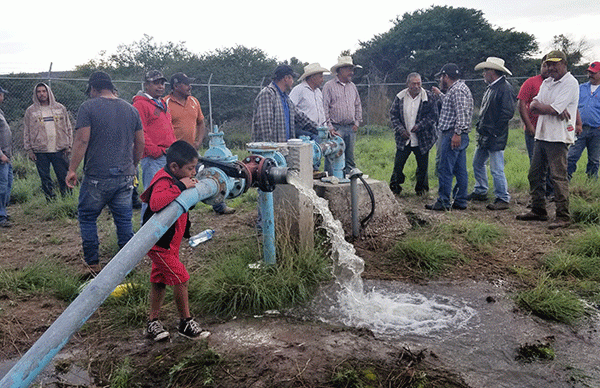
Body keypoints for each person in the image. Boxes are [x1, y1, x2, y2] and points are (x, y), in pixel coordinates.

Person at [66, 71, 145, 274]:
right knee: (124, 219)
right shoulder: (131, 109)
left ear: (93, 88)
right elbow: (140, 143)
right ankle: (128, 264)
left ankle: (92, 264)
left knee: (87, 216)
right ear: (111, 87)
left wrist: (72, 169)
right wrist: (133, 165)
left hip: (97, 176)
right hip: (125, 174)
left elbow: (82, 140)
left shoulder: (88, 107)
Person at [140, 140, 210, 341]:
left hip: (170, 244)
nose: (193, 172)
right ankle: (185, 322)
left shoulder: (176, 178)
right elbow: (155, 203)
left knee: (159, 280)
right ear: (174, 167)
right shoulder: (164, 180)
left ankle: (153, 322)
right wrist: (181, 185)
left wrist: (188, 187)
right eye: (189, 168)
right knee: (181, 278)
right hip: (159, 244)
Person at [516, 51, 580, 229]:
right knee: (535, 174)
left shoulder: (570, 83)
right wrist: (544, 107)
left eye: (555, 64)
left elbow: (553, 108)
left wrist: (547, 108)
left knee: (558, 177)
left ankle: (563, 216)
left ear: (564, 64)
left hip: (558, 137)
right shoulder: (547, 82)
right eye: (548, 64)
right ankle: (538, 210)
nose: (551, 67)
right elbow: (533, 105)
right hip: (542, 134)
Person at [165, 72, 235, 215]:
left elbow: (201, 123)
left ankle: (219, 205)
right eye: (186, 84)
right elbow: (163, 127)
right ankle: (178, 215)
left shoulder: (194, 102)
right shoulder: (166, 103)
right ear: (176, 86)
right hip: (174, 153)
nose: (189, 87)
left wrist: (199, 141)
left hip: (191, 151)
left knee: (207, 172)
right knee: (176, 184)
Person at [469, 57, 517, 210]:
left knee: (496, 168)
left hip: (495, 135)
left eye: (485, 70)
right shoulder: (492, 87)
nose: (483, 73)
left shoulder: (504, 88)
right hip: (486, 134)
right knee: (477, 163)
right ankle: (481, 190)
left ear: (492, 72)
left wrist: (495, 132)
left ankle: (503, 198)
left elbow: (507, 113)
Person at [426, 63, 473, 211]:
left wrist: (457, 133)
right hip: (458, 134)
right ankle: (460, 200)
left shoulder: (457, 90)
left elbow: (462, 114)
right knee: (460, 170)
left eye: (441, 76)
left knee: (445, 169)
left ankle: (444, 201)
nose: (440, 79)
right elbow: (452, 105)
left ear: (446, 76)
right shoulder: (458, 89)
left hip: (452, 134)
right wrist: (440, 94)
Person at [133, 70, 176, 220]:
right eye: (156, 83)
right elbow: (140, 132)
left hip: (167, 155)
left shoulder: (161, 103)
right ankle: (146, 234)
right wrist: (155, 151)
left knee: (167, 193)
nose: (160, 86)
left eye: (162, 83)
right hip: (153, 159)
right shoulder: (140, 104)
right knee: (152, 195)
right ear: (146, 85)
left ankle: (163, 230)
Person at [389, 72, 439, 195]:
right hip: (404, 138)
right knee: (398, 165)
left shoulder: (428, 96)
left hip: (423, 138)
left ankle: (421, 189)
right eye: (414, 83)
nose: (417, 86)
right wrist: (401, 130)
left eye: (419, 83)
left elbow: (433, 116)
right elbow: (393, 115)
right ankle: (395, 188)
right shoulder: (400, 97)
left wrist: (420, 126)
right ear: (408, 84)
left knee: (423, 167)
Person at [23, 83, 73, 200]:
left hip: (59, 148)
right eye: (39, 92)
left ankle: (67, 199)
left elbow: (68, 127)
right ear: (35, 94)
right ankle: (51, 200)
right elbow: (26, 131)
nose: (42, 94)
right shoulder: (30, 111)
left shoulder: (60, 108)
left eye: (44, 91)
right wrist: (29, 149)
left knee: (63, 175)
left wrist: (69, 145)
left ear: (48, 92)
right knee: (45, 177)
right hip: (40, 150)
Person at [252, 64, 318, 143]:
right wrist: (270, 150)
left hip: (285, 149)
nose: (293, 82)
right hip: (271, 151)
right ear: (286, 78)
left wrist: (320, 130)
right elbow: (265, 127)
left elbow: (301, 118)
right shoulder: (268, 94)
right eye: (292, 78)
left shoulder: (286, 98)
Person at [517, 56, 553, 198]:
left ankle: (551, 191)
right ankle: (538, 194)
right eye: (544, 66)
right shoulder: (531, 82)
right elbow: (521, 104)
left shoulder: (557, 84)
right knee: (536, 164)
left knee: (551, 163)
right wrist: (529, 125)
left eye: (549, 66)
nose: (547, 69)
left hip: (551, 130)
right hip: (534, 130)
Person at [322, 56, 363, 174]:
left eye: (352, 69)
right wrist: (330, 127)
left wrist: (357, 122)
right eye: (349, 69)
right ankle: (331, 181)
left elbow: (357, 104)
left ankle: (350, 183)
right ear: (340, 70)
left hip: (350, 127)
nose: (351, 72)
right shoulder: (329, 86)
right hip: (336, 127)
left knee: (350, 157)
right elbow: (324, 107)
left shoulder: (352, 86)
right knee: (333, 155)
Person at [289, 62, 329, 174]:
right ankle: (312, 170)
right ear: (312, 77)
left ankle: (313, 169)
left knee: (317, 150)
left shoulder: (318, 92)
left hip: (317, 129)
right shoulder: (299, 90)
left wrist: (324, 127)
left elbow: (321, 111)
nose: (322, 79)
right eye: (320, 76)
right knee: (310, 152)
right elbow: (290, 107)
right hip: (304, 129)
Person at [567, 61, 600, 179]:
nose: (590, 75)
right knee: (571, 156)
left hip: (597, 130)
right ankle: (565, 182)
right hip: (580, 129)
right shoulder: (581, 88)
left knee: (594, 159)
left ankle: (591, 183)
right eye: (589, 72)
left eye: (593, 73)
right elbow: (573, 105)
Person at [0, 85, 12, 228]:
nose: (3, 97)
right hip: (2, 157)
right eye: (2, 94)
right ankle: (1, 216)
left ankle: (3, 212)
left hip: (7, 157)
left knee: (7, 186)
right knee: (2, 187)